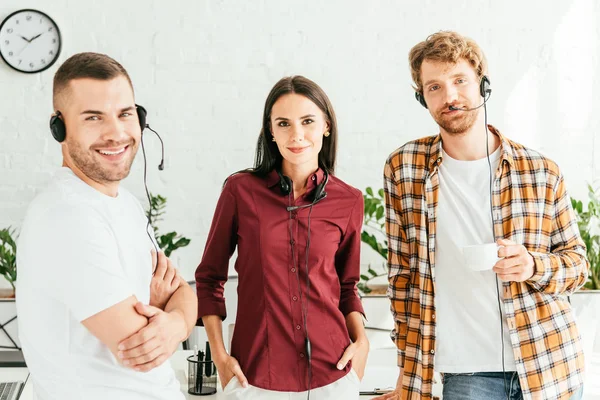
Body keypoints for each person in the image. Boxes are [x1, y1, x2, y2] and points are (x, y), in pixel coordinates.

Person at [375, 31, 588, 400]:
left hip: (548, 362)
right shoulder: (404, 167)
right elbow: (403, 280)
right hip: (466, 371)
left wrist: (532, 266)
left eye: (460, 81)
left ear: (482, 85)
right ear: (421, 97)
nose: (450, 96)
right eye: (434, 87)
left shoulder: (541, 171)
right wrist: (406, 377)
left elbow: (578, 267)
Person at [16, 52, 197, 400]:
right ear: (59, 127)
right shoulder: (67, 215)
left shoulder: (123, 204)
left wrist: (172, 321)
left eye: (125, 114)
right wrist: (167, 310)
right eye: (94, 117)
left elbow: (183, 292)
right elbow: (141, 347)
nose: (116, 133)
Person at [195, 75, 369, 399]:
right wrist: (219, 356)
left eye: (307, 121)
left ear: (326, 126)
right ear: (271, 132)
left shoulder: (349, 200)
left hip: (333, 376)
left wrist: (363, 343)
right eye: (284, 123)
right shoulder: (239, 192)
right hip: (253, 379)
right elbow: (209, 278)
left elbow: (348, 286)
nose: (297, 135)